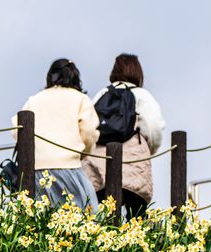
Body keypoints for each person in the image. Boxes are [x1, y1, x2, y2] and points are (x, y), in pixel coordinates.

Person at [83, 54, 166, 220]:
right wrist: (148, 151)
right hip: (133, 163)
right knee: (137, 215)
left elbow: (89, 125)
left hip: (100, 163)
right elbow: (154, 128)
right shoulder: (143, 95)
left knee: (101, 215)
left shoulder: (102, 94)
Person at [13, 58, 100, 210]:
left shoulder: (35, 99)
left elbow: (16, 129)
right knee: (88, 215)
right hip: (69, 168)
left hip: (35, 170)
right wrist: (83, 153)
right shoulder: (81, 99)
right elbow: (88, 131)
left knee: (42, 221)